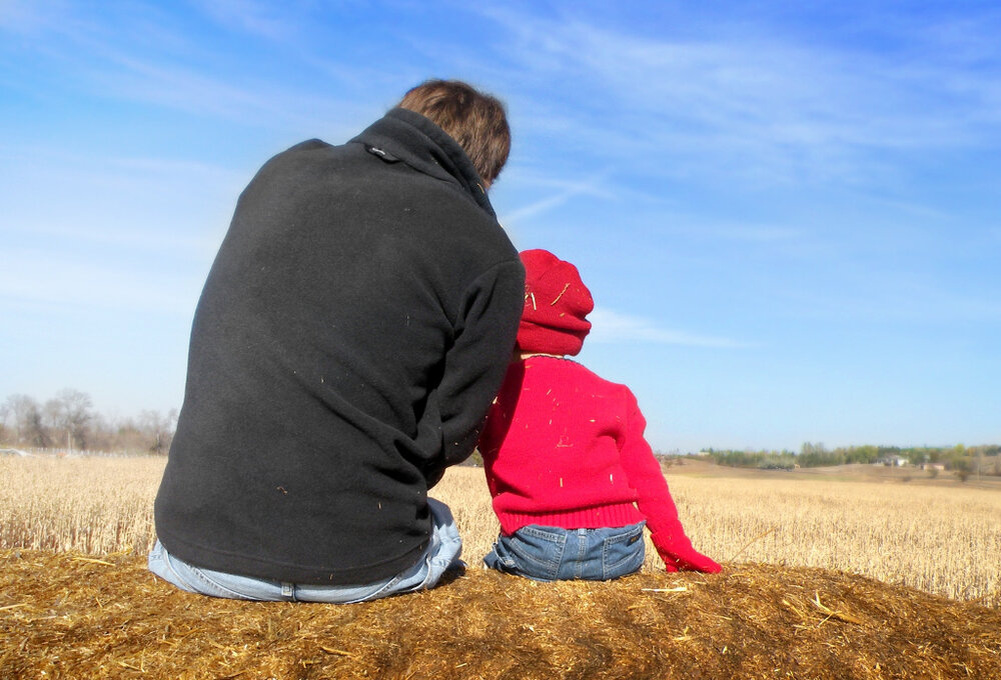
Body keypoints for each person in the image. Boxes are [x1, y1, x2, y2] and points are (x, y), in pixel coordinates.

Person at [149, 79, 526, 603]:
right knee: (442, 526)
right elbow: (452, 434)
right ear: (485, 174)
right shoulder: (492, 255)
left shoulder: (281, 171)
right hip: (358, 565)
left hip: (188, 550)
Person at [477, 249, 722, 581]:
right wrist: (674, 545)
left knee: (482, 566)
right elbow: (646, 478)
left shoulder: (491, 393)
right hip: (623, 546)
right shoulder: (615, 394)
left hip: (538, 546)